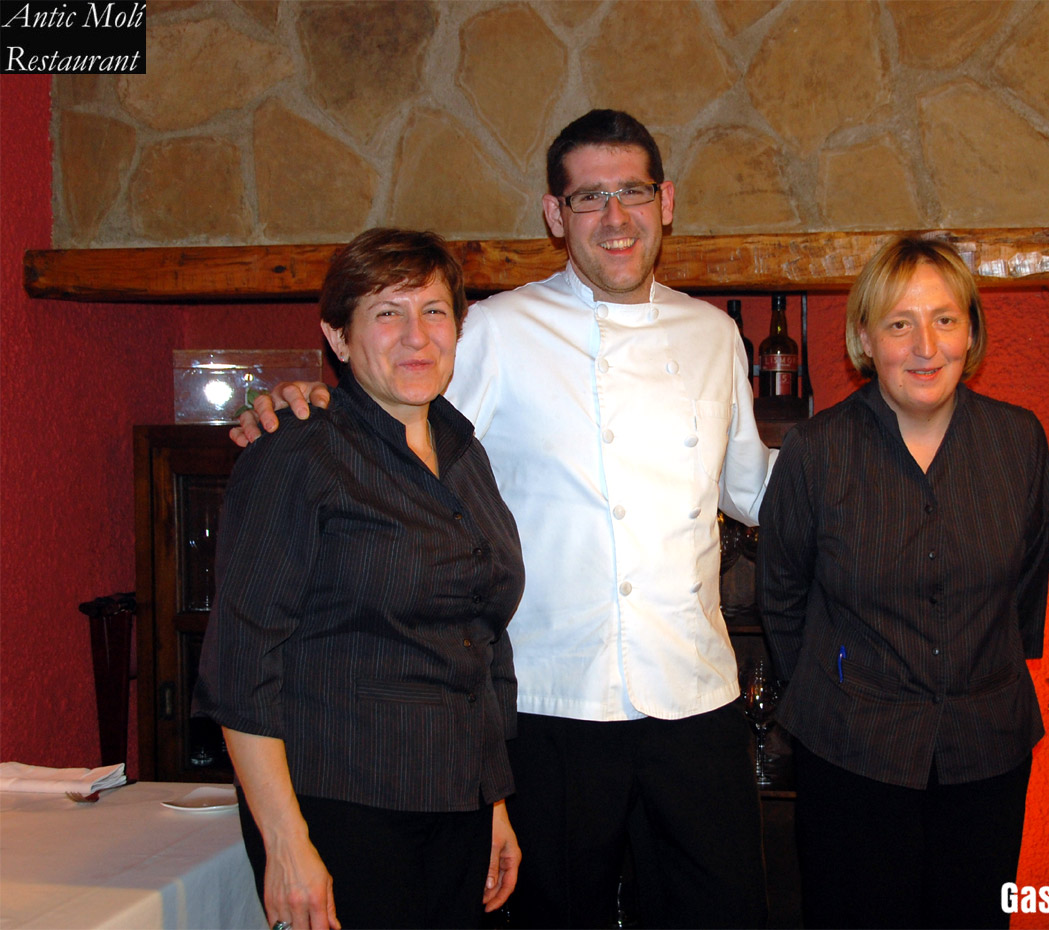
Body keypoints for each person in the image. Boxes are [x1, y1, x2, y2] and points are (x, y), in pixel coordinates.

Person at [236, 110, 773, 928]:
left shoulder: (713, 336)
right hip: (552, 709)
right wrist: (302, 401)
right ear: (556, 216)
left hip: (693, 699)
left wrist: (865, 460)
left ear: (666, 201)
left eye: (632, 192)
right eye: (589, 198)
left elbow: (752, 487)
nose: (615, 218)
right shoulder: (492, 328)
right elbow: (392, 427)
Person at [194, 228, 525, 930]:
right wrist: (286, 843)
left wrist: (491, 802)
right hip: (343, 812)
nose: (416, 337)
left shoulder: (465, 452)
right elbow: (239, 663)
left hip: (456, 808)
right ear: (338, 338)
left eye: (434, 312)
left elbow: (481, 640)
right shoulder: (296, 454)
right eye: (387, 313)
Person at [755, 236, 1049, 930]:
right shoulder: (815, 452)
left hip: (987, 754)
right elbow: (781, 597)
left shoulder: (1019, 441)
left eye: (945, 320)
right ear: (865, 338)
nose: (926, 345)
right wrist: (837, 690)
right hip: (853, 759)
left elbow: (1025, 589)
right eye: (899, 324)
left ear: (970, 332)